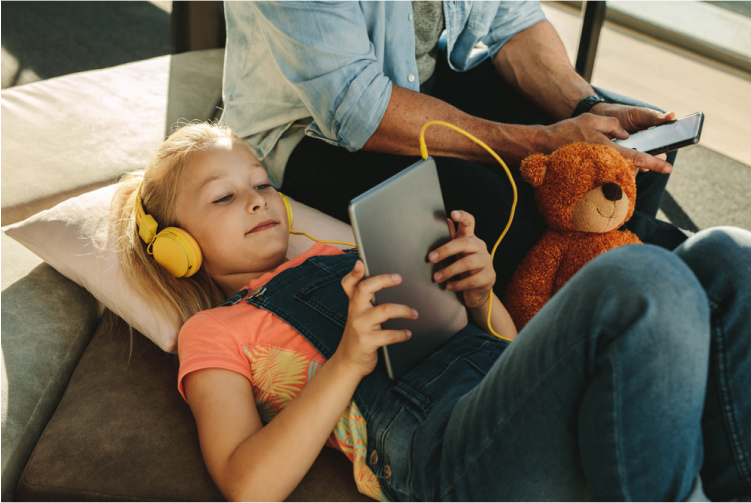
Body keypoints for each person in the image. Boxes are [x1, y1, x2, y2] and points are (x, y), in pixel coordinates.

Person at [112, 123, 751, 501]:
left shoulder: (344, 250)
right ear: (178, 248)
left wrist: (479, 295)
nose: (257, 200)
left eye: (260, 183)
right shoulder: (213, 331)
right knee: (636, 277)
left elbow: (501, 347)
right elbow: (246, 485)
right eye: (224, 197)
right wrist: (347, 361)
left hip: (507, 403)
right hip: (444, 455)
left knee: (728, 255)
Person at [220, 1, 689, 292]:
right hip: (306, 128)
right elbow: (358, 108)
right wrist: (538, 143)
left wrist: (585, 106)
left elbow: (515, 19)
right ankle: (642, 291)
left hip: (414, 79)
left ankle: (630, 271)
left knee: (632, 156)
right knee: (496, 206)